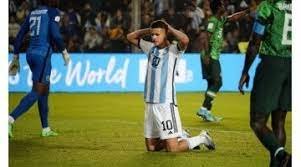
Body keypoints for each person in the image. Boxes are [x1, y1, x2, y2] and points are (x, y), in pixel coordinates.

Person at [127, 20, 215, 152]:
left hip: (166, 104)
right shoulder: (150, 48)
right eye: (153, 35)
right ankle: (180, 135)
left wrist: (169, 28)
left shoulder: (174, 51)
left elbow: (185, 40)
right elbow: (130, 37)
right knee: (151, 148)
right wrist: (149, 30)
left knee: (172, 149)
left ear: (166, 34)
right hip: (150, 104)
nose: (154, 37)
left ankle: (202, 138)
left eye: (157, 34)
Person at [238, 0, 291, 166]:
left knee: (257, 121)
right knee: (279, 121)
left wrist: (245, 71)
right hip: (293, 65)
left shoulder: (268, 6)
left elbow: (255, 41)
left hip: (272, 64)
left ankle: (284, 157)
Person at [8, 0, 70, 138]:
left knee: (44, 91)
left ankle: (45, 128)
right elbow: (55, 35)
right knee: (37, 91)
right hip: (42, 56)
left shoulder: (33, 13)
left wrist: (16, 57)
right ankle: (10, 119)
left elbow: (20, 35)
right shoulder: (53, 12)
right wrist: (64, 52)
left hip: (30, 54)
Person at [197, 0, 250, 122]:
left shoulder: (220, 20)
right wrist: (207, 55)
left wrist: (246, 12)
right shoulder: (212, 21)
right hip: (210, 55)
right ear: (218, 7)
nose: (224, 6)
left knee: (211, 84)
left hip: (213, 55)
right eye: (221, 5)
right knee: (218, 82)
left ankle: (207, 112)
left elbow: (233, 18)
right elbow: (205, 37)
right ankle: (203, 108)